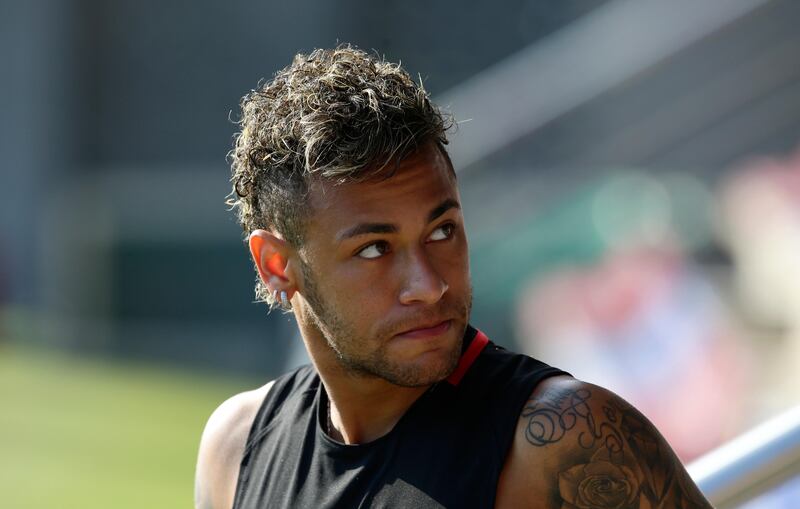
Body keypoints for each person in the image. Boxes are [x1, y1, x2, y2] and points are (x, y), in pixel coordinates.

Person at [195, 45, 712, 509]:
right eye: (375, 248)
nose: (429, 284)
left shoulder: (566, 442)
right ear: (276, 266)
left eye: (442, 231)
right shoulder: (237, 448)